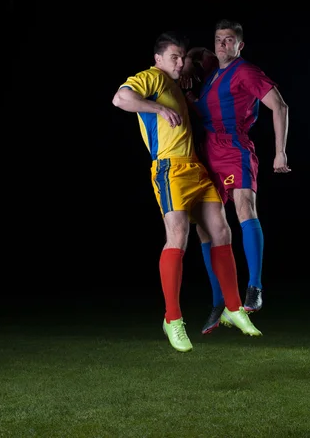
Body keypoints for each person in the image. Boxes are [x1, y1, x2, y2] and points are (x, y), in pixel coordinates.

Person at [111, 30, 263, 353]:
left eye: (181, 58)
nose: (180, 63)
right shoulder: (151, 78)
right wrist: (157, 110)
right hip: (170, 170)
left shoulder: (178, 85)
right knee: (177, 236)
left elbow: (195, 60)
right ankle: (172, 319)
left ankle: (234, 309)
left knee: (222, 230)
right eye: (173, 58)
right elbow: (120, 98)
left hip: (195, 168)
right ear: (158, 60)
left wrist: (192, 64)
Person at [181, 19, 291, 335]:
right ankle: (219, 302)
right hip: (207, 153)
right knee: (205, 228)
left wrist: (280, 152)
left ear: (240, 45)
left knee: (244, 208)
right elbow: (199, 51)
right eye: (219, 39)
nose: (222, 45)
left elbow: (279, 106)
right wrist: (189, 62)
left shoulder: (245, 71)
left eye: (229, 40)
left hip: (234, 150)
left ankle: (254, 287)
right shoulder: (214, 67)